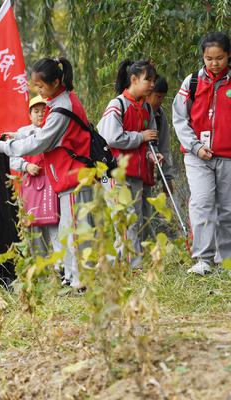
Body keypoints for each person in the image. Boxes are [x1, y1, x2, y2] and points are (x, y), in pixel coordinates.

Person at [0, 57, 93, 289]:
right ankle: (73, 279)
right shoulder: (61, 101)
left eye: (41, 86)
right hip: (67, 177)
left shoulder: (62, 108)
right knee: (68, 231)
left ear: (55, 82)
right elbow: (42, 134)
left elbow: (41, 142)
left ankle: (81, 282)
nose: (39, 91)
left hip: (73, 176)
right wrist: (18, 136)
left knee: (74, 232)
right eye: (36, 86)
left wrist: (4, 148)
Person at [172, 31, 231, 275]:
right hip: (198, 156)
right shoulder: (192, 82)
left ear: (228, 55)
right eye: (209, 58)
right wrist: (196, 146)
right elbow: (179, 118)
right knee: (203, 202)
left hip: (227, 157)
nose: (214, 63)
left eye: (219, 58)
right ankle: (204, 259)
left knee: (228, 208)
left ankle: (226, 259)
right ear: (203, 57)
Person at [97, 59, 161, 269]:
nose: (152, 84)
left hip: (137, 172)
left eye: (153, 79)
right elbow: (111, 137)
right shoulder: (117, 105)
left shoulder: (147, 108)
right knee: (125, 220)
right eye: (147, 79)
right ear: (133, 79)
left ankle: (125, 265)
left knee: (137, 219)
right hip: (115, 173)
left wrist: (154, 155)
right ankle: (131, 267)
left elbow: (150, 139)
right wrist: (140, 137)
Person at [9, 95, 60, 257]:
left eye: (44, 111)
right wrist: (26, 165)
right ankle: (41, 268)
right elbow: (12, 157)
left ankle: (62, 268)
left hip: (53, 185)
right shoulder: (23, 133)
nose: (40, 114)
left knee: (56, 225)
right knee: (34, 226)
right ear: (30, 115)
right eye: (36, 111)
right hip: (31, 186)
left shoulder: (54, 130)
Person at [144, 75, 174, 237]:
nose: (160, 101)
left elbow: (165, 147)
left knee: (154, 211)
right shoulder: (136, 110)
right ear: (148, 93)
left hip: (153, 171)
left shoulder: (160, 115)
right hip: (133, 169)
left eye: (163, 97)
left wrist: (167, 178)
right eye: (158, 97)